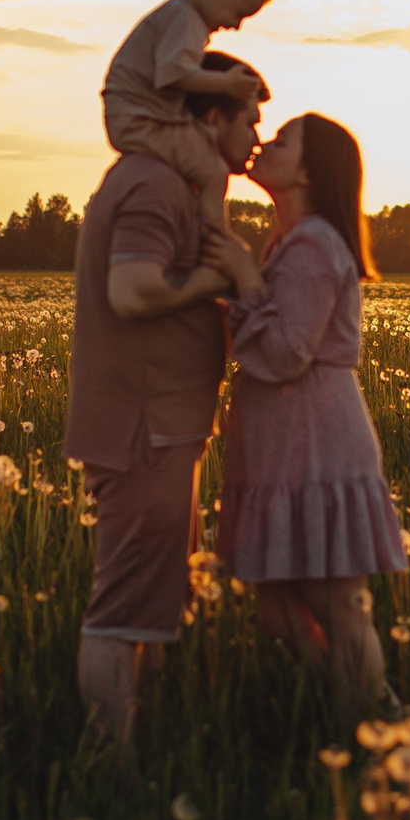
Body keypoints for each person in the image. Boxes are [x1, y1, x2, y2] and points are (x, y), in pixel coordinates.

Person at [65, 50, 268, 764]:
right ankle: (112, 768)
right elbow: (132, 291)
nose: (257, 136)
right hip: (140, 427)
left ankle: (132, 748)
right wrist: (215, 279)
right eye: (251, 118)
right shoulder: (154, 185)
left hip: (157, 424)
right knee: (123, 609)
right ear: (211, 118)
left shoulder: (167, 183)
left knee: (153, 603)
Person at [203, 112, 406, 729]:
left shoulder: (316, 241)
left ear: (310, 172)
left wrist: (241, 283)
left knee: (339, 604)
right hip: (281, 440)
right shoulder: (290, 239)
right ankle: (368, 713)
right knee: (275, 599)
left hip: (316, 437)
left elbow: (289, 350)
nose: (266, 143)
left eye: (283, 139)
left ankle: (366, 728)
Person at [101, 0, 273, 231]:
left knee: (202, 154)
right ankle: (216, 242)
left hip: (144, 116)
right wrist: (225, 84)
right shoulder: (186, 20)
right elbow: (174, 75)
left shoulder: (179, 16)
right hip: (141, 120)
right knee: (213, 170)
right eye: (238, 13)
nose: (236, 25)